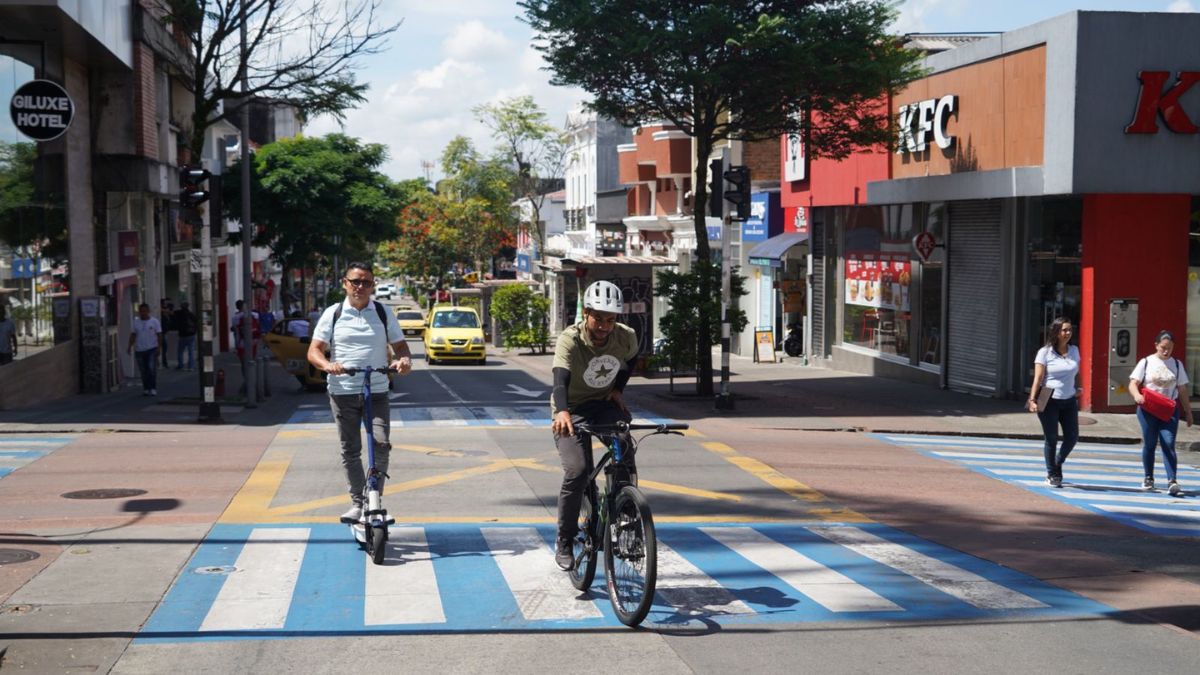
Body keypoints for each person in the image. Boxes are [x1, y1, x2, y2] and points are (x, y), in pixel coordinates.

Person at [307, 263, 413, 522]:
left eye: (366, 282)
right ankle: (357, 502)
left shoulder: (382, 312)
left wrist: (404, 361)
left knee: (381, 445)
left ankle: (374, 497)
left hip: (376, 390)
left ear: (373, 285)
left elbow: (401, 347)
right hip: (342, 391)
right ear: (345, 283)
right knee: (350, 450)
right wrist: (327, 365)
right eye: (355, 281)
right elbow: (314, 351)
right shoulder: (333, 313)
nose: (360, 287)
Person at [550, 279, 638, 570]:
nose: (603, 326)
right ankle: (564, 539)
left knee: (624, 445)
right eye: (598, 318)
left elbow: (630, 360)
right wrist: (562, 411)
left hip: (602, 404)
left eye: (609, 319)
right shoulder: (570, 339)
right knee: (577, 471)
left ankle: (627, 514)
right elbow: (560, 378)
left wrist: (618, 390)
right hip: (571, 409)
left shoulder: (625, 337)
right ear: (586, 313)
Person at [1129, 330, 1194, 496]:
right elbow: (1133, 383)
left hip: (1169, 410)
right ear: (1156, 345)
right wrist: (1137, 395)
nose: (1166, 351)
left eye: (1170, 348)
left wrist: (1188, 411)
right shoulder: (1146, 362)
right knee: (1150, 443)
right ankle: (1148, 477)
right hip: (1148, 409)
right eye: (1163, 347)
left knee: (1168, 443)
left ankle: (1172, 480)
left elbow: (1182, 389)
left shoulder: (1177, 365)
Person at [1027, 317, 1081, 488]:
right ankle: (1052, 474)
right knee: (1051, 438)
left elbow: (1075, 373)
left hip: (1069, 400)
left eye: (1070, 330)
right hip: (1048, 398)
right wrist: (1032, 399)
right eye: (1064, 330)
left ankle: (1057, 463)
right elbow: (1038, 378)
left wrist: (1078, 388)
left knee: (1072, 437)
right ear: (1056, 332)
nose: (1067, 333)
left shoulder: (1074, 350)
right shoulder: (1045, 352)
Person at [127, 302, 163, 396]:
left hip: (152, 348)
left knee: (151, 369)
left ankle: (153, 388)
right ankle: (146, 388)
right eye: (141, 311)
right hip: (139, 349)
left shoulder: (154, 321)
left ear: (148, 311)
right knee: (143, 371)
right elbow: (133, 335)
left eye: (145, 311)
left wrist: (159, 348)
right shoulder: (136, 322)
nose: (143, 313)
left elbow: (159, 335)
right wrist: (129, 346)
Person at [174, 301, 197, 370]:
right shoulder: (191, 314)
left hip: (183, 335)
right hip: (191, 335)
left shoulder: (179, 313)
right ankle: (191, 366)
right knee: (191, 351)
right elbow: (196, 321)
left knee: (180, 351)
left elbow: (171, 313)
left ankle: (180, 365)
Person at [160, 300, 176, 367]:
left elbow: (171, 313)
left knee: (165, 348)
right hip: (162, 332)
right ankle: (164, 362)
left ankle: (164, 362)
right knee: (164, 348)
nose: (165, 306)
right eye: (164, 304)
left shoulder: (165, 313)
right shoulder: (162, 312)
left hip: (165, 332)